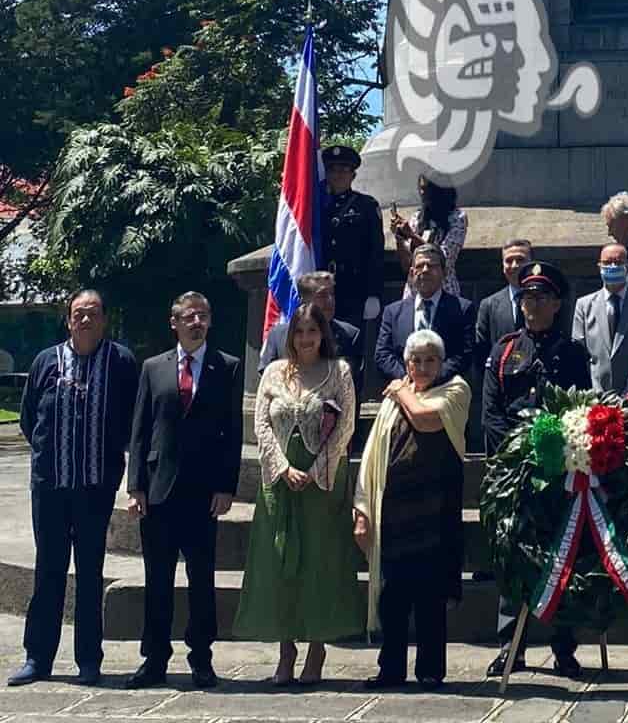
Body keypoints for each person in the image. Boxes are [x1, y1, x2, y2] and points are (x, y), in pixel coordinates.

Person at [9, 289, 139, 687]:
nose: (85, 320)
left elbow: (132, 422)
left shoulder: (121, 362)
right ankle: (38, 658)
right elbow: (30, 420)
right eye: (78, 314)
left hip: (94, 491)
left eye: (93, 314)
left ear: (104, 321)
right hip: (49, 488)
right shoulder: (46, 361)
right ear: (68, 320)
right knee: (48, 571)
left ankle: (89, 661)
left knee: (88, 574)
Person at [233, 305, 363, 683]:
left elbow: (347, 425)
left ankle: (317, 648)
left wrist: (316, 467)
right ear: (289, 337)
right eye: (299, 332)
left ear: (323, 335)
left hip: (322, 481)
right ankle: (285, 649)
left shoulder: (339, 372)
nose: (305, 339)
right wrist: (283, 467)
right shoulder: (274, 372)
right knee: (279, 561)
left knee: (319, 562)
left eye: (312, 331)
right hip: (279, 480)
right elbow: (261, 423)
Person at [125, 292, 241, 690]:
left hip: (203, 493)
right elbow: (140, 431)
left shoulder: (226, 366)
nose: (197, 322)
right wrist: (135, 484)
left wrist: (227, 486)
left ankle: (202, 658)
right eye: (189, 317)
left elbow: (232, 434)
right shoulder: (153, 368)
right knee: (157, 580)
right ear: (173, 323)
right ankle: (154, 659)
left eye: (203, 316)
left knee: (201, 580)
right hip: (158, 492)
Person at [482, 260, 590, 679]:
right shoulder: (505, 350)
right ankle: (512, 646)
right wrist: (514, 453)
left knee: (563, 555)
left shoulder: (572, 353)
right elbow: (490, 412)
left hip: (558, 471)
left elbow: (581, 409)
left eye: (541, 297)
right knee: (513, 556)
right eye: (527, 297)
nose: (532, 305)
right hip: (514, 471)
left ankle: (564, 648)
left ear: (557, 303)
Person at [354, 328, 470, 689]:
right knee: (393, 596)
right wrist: (362, 509)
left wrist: (401, 389)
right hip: (394, 512)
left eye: (430, 360)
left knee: (430, 597)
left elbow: (425, 418)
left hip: (434, 512)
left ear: (441, 362)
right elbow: (372, 455)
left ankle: (430, 671)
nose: (422, 366)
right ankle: (390, 669)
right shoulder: (392, 401)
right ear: (406, 363)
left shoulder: (455, 390)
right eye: (415, 360)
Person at [376, 244, 475, 383]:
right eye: (419, 266)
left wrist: (430, 379)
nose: (425, 270)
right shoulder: (393, 312)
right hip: (405, 388)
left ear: (444, 272)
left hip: (444, 389)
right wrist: (410, 378)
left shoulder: (462, 309)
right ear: (411, 273)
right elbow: (383, 354)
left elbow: (464, 354)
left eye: (432, 266)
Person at [572, 242, 628, 394]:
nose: (613, 266)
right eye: (607, 262)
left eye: (618, 262)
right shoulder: (583, 305)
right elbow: (578, 351)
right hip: (595, 395)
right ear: (599, 267)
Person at [321, 145, 385, 336]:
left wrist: (373, 293)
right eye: (333, 170)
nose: (338, 175)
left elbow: (375, 251)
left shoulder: (366, 205)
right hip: (321, 288)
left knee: (350, 345)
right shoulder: (316, 205)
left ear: (353, 175)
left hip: (353, 289)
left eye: (344, 170)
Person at [259, 270, 363, 385]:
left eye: (332, 294)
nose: (330, 300)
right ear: (304, 300)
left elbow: (352, 385)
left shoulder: (349, 335)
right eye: (322, 295)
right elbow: (266, 379)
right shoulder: (278, 335)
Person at [391, 175, 468, 297]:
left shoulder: (457, 218)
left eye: (427, 189)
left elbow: (444, 258)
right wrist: (399, 237)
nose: (422, 193)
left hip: (444, 292)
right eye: (420, 188)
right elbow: (407, 264)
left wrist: (411, 235)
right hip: (414, 294)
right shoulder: (417, 217)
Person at [475, 238, 533, 373]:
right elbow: (482, 353)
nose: (514, 265)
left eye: (520, 260)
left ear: (532, 263)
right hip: (502, 383)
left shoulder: (546, 300)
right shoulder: (488, 305)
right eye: (508, 261)